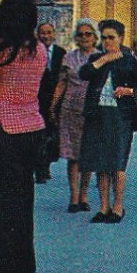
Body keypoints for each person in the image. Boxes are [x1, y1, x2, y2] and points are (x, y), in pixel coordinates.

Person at [0, 0, 47, 273]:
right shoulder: (39, 50)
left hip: (5, 128)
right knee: (24, 202)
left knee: (4, 205)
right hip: (33, 127)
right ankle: (24, 269)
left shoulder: (0, 50)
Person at [78, 19, 137, 223]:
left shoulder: (129, 60)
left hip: (120, 115)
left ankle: (117, 206)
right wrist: (104, 60)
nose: (107, 42)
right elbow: (84, 74)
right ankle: (103, 207)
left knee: (116, 163)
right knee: (99, 162)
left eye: (111, 38)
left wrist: (129, 91)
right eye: (104, 38)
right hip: (96, 114)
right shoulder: (98, 58)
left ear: (120, 38)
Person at [51, 21, 98, 213]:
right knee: (73, 155)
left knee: (87, 154)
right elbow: (61, 83)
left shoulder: (100, 57)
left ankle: (84, 195)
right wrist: (52, 105)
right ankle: (73, 196)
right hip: (70, 110)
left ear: (95, 37)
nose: (84, 38)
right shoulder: (68, 58)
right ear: (75, 38)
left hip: (92, 110)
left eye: (88, 34)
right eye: (81, 35)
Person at [34, 21, 64, 184]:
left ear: (54, 35)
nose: (46, 36)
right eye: (43, 33)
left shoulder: (61, 53)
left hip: (56, 100)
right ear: (38, 35)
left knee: (54, 136)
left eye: (49, 32)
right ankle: (40, 168)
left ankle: (47, 163)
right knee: (40, 136)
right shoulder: (32, 53)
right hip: (37, 100)